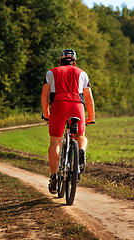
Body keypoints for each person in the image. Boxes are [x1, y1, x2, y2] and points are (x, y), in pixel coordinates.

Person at [41, 48, 95, 194]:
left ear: (60, 61)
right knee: (80, 136)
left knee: (55, 142)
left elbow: (45, 95)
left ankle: (53, 177)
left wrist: (47, 114)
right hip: (77, 106)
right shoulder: (82, 73)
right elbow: (88, 97)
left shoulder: (51, 73)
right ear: (74, 62)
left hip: (58, 106)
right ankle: (81, 151)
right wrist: (91, 117)